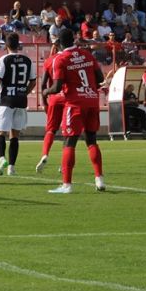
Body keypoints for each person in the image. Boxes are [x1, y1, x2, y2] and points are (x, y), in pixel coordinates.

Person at [42, 29, 106, 194]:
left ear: (59, 43)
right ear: (74, 39)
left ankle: (66, 185)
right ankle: (99, 179)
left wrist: (45, 92)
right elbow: (100, 79)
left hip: (75, 103)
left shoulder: (60, 59)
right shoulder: (87, 54)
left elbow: (56, 87)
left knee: (69, 142)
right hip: (92, 101)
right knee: (91, 140)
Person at [0, 33, 36, 176]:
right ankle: (11, 167)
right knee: (14, 135)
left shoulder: (4, 59)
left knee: (0, 132)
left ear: (6, 45)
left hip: (6, 100)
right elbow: (33, 81)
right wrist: (24, 92)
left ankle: (2, 159)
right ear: (18, 45)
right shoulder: (28, 60)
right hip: (21, 100)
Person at [36, 42, 64, 173]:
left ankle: (45, 154)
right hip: (68, 98)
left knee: (51, 130)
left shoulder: (48, 61)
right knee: (68, 132)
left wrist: (44, 102)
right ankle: (64, 163)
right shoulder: (69, 59)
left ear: (56, 47)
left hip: (53, 98)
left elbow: (42, 85)